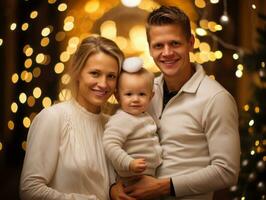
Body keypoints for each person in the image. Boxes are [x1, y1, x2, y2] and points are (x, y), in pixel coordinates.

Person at [111, 5, 240, 200]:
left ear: (190, 43)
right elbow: (119, 141)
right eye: (158, 46)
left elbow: (227, 172)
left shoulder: (216, 99)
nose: (167, 52)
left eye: (175, 43)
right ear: (150, 48)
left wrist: (164, 187)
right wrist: (114, 186)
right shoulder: (143, 92)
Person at [20, 36, 124, 200]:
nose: (103, 84)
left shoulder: (114, 125)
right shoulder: (53, 118)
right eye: (95, 73)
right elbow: (29, 190)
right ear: (77, 72)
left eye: (111, 76)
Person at [103, 57, 162, 184]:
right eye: (129, 94)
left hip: (149, 176)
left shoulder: (145, 116)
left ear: (151, 96)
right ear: (118, 96)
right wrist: (129, 163)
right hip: (130, 178)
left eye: (141, 94)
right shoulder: (121, 119)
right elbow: (110, 145)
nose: (135, 99)